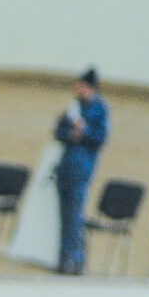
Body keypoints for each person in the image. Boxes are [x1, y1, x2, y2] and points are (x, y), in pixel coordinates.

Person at [53, 67, 110, 275]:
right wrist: (70, 134)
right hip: (65, 167)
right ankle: (63, 258)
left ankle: (76, 260)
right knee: (64, 216)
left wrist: (83, 131)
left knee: (75, 215)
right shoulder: (73, 105)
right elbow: (58, 130)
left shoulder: (100, 109)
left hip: (82, 168)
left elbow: (100, 137)